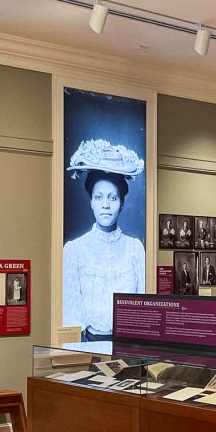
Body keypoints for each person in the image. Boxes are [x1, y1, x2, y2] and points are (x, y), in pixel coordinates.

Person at [62, 139, 146, 341]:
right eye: (99, 197)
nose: (106, 205)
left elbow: (144, 307)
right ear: (91, 202)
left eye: (113, 198)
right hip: (88, 343)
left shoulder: (135, 248)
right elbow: (71, 309)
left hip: (128, 344)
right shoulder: (75, 249)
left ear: (122, 203)